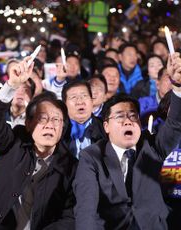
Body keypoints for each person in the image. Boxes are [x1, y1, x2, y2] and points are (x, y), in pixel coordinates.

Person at [73, 53, 181, 230]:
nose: (127, 121)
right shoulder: (91, 156)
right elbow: (86, 209)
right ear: (106, 126)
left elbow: (176, 123)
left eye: (133, 116)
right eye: (120, 116)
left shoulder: (152, 146)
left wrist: (177, 86)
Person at [0, 56, 77, 229]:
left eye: (56, 120)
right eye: (42, 118)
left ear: (63, 127)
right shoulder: (13, 144)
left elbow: (70, 215)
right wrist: (11, 85)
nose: (50, 125)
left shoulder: (70, 166)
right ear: (29, 123)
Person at [62, 79, 106, 159]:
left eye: (84, 96)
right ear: (64, 105)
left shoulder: (106, 127)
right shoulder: (58, 129)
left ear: (92, 101)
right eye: (73, 97)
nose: (80, 102)